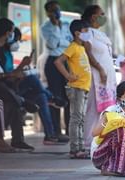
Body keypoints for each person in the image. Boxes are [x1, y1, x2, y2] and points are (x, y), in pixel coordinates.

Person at [1, 27, 68, 145]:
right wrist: (22, 66)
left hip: (16, 86)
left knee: (41, 97)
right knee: (32, 79)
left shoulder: (9, 54)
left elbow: (13, 73)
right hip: (7, 89)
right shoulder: (0, 53)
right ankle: (51, 98)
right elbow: (6, 77)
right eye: (16, 39)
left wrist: (23, 70)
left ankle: (49, 135)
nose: (17, 43)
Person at [81, 5, 117, 151]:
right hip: (95, 76)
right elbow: (87, 52)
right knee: (92, 109)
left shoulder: (102, 35)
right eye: (101, 14)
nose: (104, 16)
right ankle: (88, 142)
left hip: (108, 78)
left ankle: (101, 139)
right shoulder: (86, 32)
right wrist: (100, 68)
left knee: (106, 111)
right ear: (93, 17)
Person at [54, 20, 92, 158]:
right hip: (76, 88)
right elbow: (58, 61)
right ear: (77, 33)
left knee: (80, 118)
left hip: (83, 87)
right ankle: (75, 149)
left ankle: (80, 147)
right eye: (86, 31)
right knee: (76, 118)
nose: (88, 34)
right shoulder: (73, 47)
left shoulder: (82, 48)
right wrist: (68, 76)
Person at [41, 0, 72, 138]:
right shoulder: (46, 27)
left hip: (67, 61)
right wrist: (55, 27)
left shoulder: (66, 25)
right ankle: (56, 131)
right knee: (55, 97)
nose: (56, 12)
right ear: (48, 13)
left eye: (57, 9)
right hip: (53, 62)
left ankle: (70, 129)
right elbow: (53, 45)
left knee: (69, 96)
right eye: (53, 10)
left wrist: (62, 42)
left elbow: (71, 42)